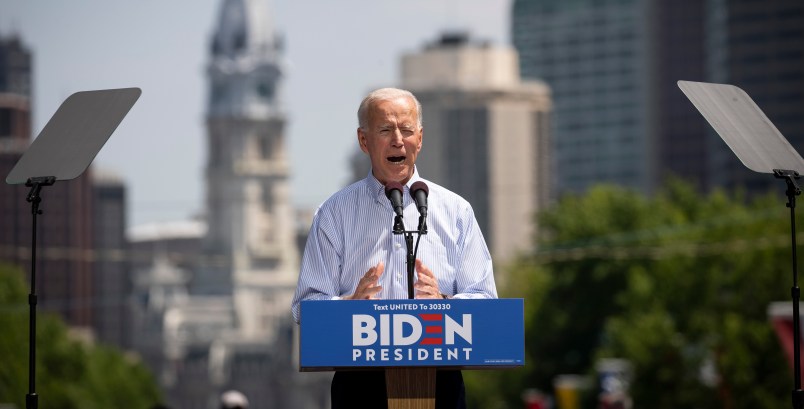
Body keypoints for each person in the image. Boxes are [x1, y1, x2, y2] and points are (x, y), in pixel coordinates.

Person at [291, 87, 497, 409]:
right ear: (364, 141)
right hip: (360, 384)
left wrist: (445, 303)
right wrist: (348, 307)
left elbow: (486, 300)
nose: (398, 140)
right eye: (385, 130)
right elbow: (305, 306)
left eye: (407, 129)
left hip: (440, 381)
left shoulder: (456, 211)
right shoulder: (334, 213)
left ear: (421, 138)